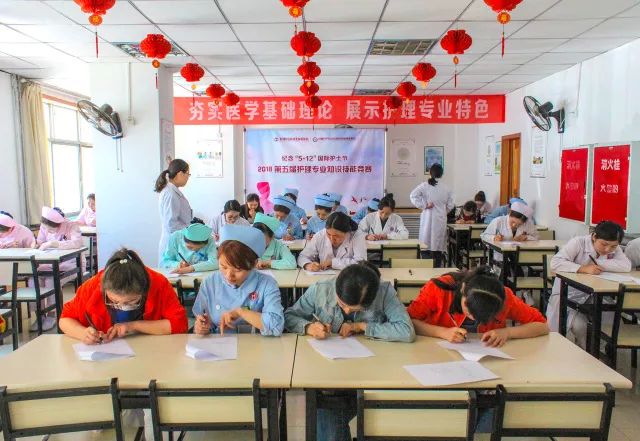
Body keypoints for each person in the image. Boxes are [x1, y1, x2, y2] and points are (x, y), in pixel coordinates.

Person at [285, 262, 416, 441]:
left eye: (356, 309)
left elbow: (406, 331)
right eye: (342, 303)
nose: (346, 310)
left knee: (334, 422)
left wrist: (361, 326)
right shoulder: (321, 289)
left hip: (372, 374)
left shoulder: (384, 292)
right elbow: (289, 316)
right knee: (330, 419)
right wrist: (309, 327)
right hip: (330, 375)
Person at [60, 248, 188, 344]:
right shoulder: (92, 286)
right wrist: (83, 333)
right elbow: (65, 319)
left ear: (144, 290)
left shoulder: (158, 284)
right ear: (104, 288)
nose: (121, 306)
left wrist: (133, 326)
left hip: (150, 352)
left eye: (131, 301)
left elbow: (180, 324)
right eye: (113, 301)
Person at [408, 266, 549, 347]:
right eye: (469, 312)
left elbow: (542, 325)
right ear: (463, 289)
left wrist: (507, 333)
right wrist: (442, 332)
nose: (473, 319)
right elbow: (407, 323)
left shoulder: (502, 297)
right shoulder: (438, 290)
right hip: (437, 357)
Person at [547, 221, 632, 348]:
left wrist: (597, 263)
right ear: (594, 237)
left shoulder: (613, 246)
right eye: (604, 244)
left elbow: (626, 266)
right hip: (568, 294)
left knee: (613, 319)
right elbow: (555, 263)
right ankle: (585, 352)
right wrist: (583, 268)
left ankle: (599, 350)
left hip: (594, 294)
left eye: (613, 246)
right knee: (580, 326)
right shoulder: (578, 243)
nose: (608, 250)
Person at [192, 225, 284, 336]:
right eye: (223, 267)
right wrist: (201, 327)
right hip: (220, 342)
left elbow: (276, 326)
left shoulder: (266, 284)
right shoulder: (210, 283)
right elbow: (200, 318)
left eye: (237, 270)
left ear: (254, 264)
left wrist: (241, 312)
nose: (229, 275)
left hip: (256, 344)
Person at [35, 206, 85, 330]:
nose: (48, 230)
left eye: (51, 228)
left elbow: (77, 243)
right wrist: (35, 244)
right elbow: (40, 241)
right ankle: (39, 315)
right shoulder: (44, 226)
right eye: (46, 228)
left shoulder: (71, 226)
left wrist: (55, 243)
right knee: (33, 280)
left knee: (51, 281)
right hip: (47, 263)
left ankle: (52, 314)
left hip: (70, 263)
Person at [410, 164, 454, 267]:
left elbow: (412, 196)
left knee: (425, 246)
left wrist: (424, 206)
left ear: (430, 173)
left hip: (427, 219)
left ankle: (426, 270)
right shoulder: (447, 188)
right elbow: (451, 204)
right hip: (440, 220)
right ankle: (437, 269)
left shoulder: (424, 186)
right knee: (437, 248)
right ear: (442, 174)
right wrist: (444, 212)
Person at [298, 212, 367, 271]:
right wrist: (308, 265)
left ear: (347, 232)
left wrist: (333, 262)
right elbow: (302, 256)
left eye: (336, 236)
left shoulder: (357, 236)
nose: (331, 238)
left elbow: (361, 263)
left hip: (349, 277)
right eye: (328, 234)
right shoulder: (320, 236)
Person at [155, 159, 193, 262]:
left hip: (176, 241)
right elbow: (171, 224)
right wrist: (190, 230)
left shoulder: (172, 191)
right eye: (188, 174)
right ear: (180, 173)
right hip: (172, 243)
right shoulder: (170, 194)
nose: (188, 177)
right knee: (171, 270)